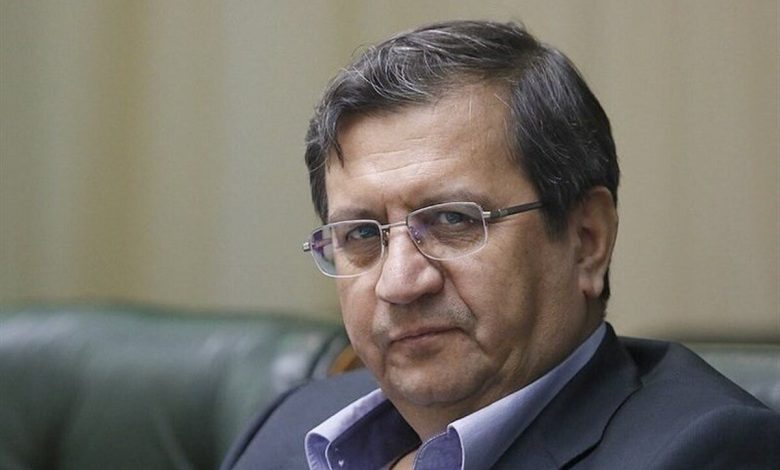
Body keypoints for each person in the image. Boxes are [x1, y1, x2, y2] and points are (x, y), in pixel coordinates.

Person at [222, 20, 779, 469]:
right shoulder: (294, 425)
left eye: (452, 220)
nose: (400, 283)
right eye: (363, 234)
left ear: (587, 240)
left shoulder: (709, 451)